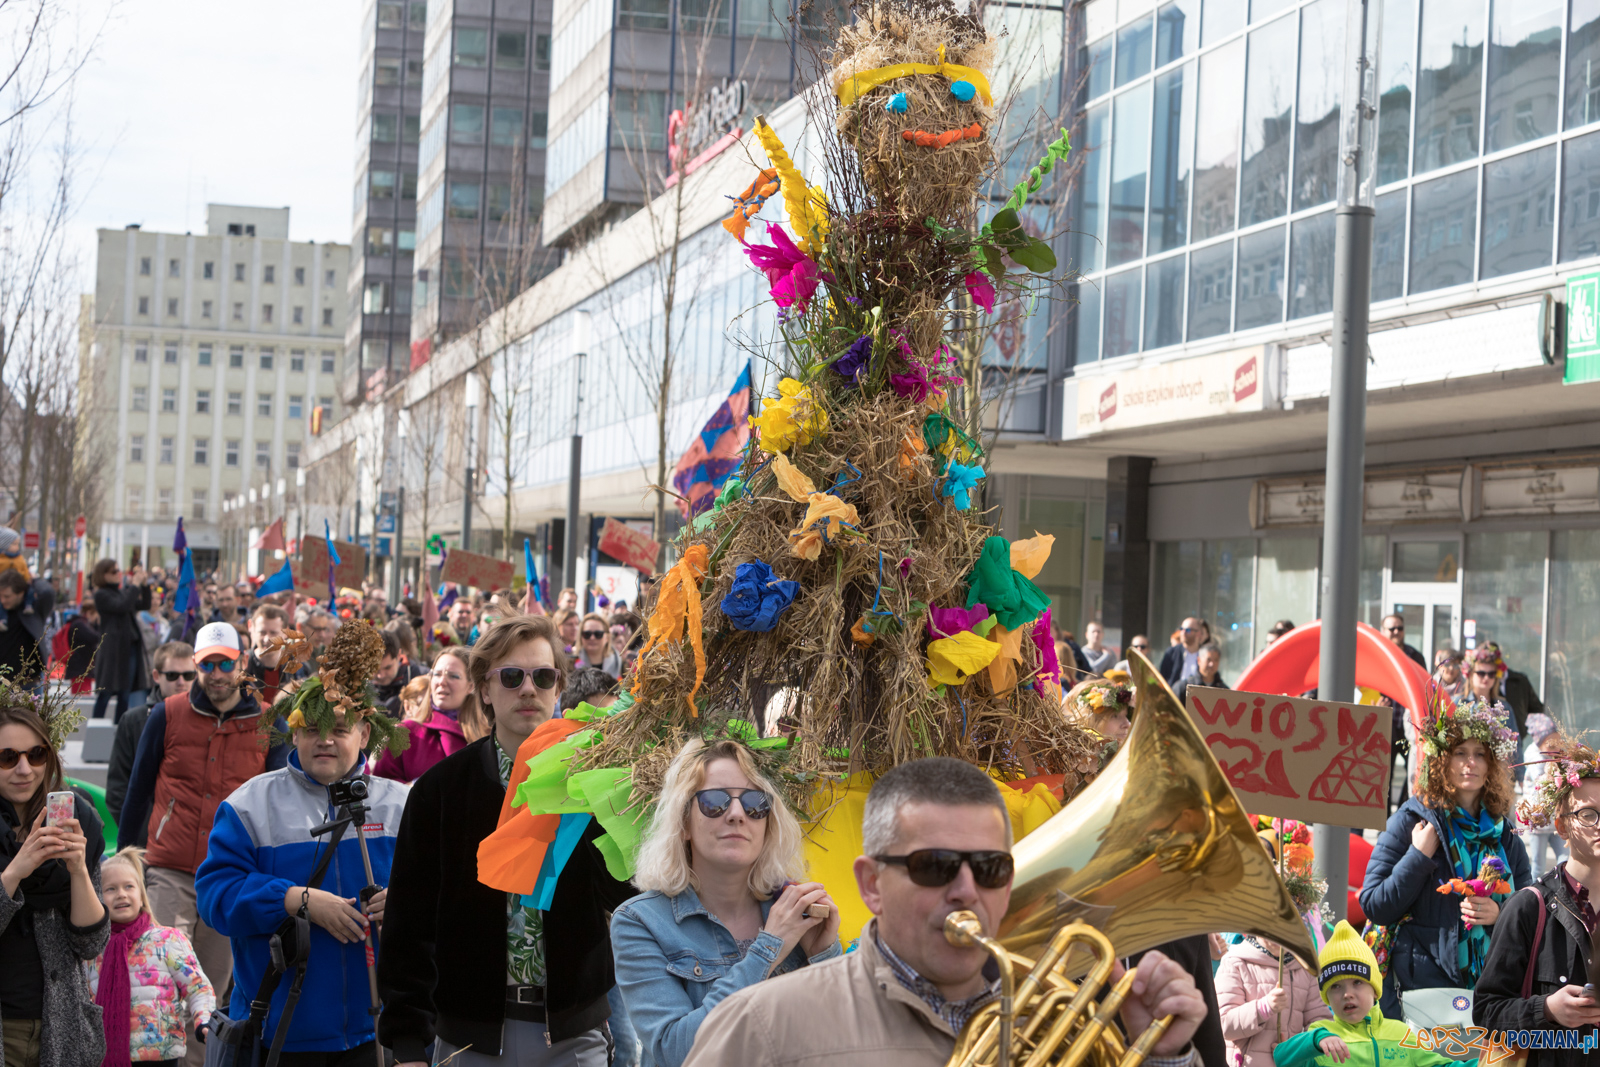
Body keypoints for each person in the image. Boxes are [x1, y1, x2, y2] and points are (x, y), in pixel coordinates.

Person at [679, 758, 1207, 1067]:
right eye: (934, 866)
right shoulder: (762, 1027)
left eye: (991, 868)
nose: (965, 890)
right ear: (872, 885)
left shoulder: (1071, 1027)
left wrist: (1160, 1055)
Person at [379, 614, 637, 1067]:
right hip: (468, 1036)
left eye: (542, 676)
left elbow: (626, 893)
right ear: (483, 689)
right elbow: (408, 924)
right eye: (512, 676)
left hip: (574, 1034)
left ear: (558, 687)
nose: (528, 689)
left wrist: (615, 801)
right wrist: (406, 1044)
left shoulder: (595, 783)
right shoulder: (440, 791)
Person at [196, 641, 410, 1067]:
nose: (325, 740)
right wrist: (294, 900)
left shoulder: (401, 806)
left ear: (365, 733)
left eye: (340, 728)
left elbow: (443, 897)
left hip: (380, 1034)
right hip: (281, 1037)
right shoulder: (249, 804)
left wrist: (409, 904)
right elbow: (215, 897)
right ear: (293, 732)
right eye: (311, 728)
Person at [611, 740, 841, 1067]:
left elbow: (844, 1039)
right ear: (684, 822)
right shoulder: (640, 922)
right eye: (714, 802)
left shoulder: (797, 915)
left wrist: (824, 956)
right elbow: (675, 1050)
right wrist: (768, 948)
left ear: (768, 822)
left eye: (754, 803)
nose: (736, 814)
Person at [119, 622, 289, 1057]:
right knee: (154, 979)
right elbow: (138, 791)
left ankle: (199, 1064)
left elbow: (278, 803)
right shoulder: (168, 712)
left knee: (209, 990)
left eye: (225, 663)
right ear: (196, 665)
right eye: (207, 665)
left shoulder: (268, 720)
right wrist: (126, 862)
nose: (216, 674)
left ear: (242, 662)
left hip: (229, 875)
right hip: (168, 867)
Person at [1358, 692, 1531, 1019]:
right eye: (1460, 753)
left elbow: (1529, 907)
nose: (1471, 762)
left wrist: (1500, 911)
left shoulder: (1504, 833)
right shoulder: (1411, 821)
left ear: (1491, 764)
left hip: (1490, 991)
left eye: (1480, 754)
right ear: (1441, 761)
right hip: (1423, 990)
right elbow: (1375, 904)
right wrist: (1418, 856)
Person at [1474, 736, 1600, 1064]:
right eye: (1589, 814)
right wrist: (1545, 1009)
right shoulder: (1529, 907)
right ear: (1562, 826)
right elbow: (1486, 1011)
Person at [0, 700, 110, 1067]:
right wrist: (18, 868)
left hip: (60, 1024)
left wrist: (77, 869)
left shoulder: (82, 821)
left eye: (36, 754)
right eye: (7, 757)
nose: (24, 769)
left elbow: (91, 943)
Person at [88, 846, 216, 1067]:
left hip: (161, 1055)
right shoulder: (92, 950)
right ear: (98, 896)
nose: (121, 894)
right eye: (110, 889)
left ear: (141, 893)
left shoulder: (167, 940)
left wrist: (204, 1020)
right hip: (105, 1056)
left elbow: (197, 987)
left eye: (129, 886)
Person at [1270, 921, 1460, 1067]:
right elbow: (1281, 1058)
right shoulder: (1321, 1034)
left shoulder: (1401, 1033)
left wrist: (1483, 1062)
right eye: (1336, 987)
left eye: (1357, 982)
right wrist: (1316, 1039)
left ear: (1375, 989)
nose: (1347, 994)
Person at [105, 643, 195, 838]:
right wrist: (140, 835)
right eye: (172, 675)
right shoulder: (133, 721)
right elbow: (117, 789)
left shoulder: (210, 722)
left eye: (189, 675)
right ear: (156, 676)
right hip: (146, 843)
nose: (181, 682)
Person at [372, 646, 484, 783]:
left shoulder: (486, 735)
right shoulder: (405, 732)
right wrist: (414, 789)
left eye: (453, 676)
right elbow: (381, 787)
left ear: (470, 686)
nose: (441, 682)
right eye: (436, 674)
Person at [1214, 935, 1329, 1067]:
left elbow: (1318, 1021)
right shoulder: (1235, 962)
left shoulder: (1305, 968)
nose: (1276, 934)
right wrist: (1264, 1008)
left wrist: (1300, 1048)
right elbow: (1224, 1025)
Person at [93, 560, 153, 723]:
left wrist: (145, 586)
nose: (118, 574)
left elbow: (144, 604)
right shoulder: (101, 594)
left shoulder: (121, 592)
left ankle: (119, 728)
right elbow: (122, 606)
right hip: (113, 650)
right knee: (105, 691)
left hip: (129, 647)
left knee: (125, 693)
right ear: (103, 575)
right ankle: (96, 726)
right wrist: (134, 585)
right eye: (113, 572)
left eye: (118, 571)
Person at [1466, 643, 1543, 739]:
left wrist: (1525, 730)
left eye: (1491, 674)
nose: (1486, 678)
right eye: (1481, 673)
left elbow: (1515, 742)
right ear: (1471, 674)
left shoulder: (1504, 705)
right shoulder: (1459, 703)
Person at [0, 569, 56, 688]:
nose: (2, 600)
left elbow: (48, 592)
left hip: (28, 682)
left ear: (21, 593)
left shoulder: (33, 610)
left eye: (7, 596)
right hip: (2, 682)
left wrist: (34, 580)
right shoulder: (1, 612)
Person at [243, 604, 305, 707]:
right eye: (262, 632)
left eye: (273, 633)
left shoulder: (298, 668)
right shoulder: (242, 665)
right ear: (251, 628)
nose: (267, 639)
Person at [373, 629, 426, 717]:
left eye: (387, 668)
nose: (380, 675)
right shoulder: (362, 680)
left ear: (399, 655)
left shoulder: (416, 678)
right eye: (375, 669)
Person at [61, 603, 101, 696]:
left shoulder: (79, 623)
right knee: (81, 696)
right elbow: (95, 637)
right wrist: (98, 625)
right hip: (80, 668)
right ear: (89, 613)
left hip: (81, 667)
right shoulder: (80, 624)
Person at [1173, 642, 1228, 707]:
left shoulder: (1225, 692)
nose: (1212, 664)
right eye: (1208, 660)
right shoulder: (1182, 688)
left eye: (1216, 660)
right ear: (1199, 660)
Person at [573, 614, 623, 678]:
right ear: (581, 637)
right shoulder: (571, 662)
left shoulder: (618, 661)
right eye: (587, 634)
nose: (592, 638)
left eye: (598, 634)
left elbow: (623, 687)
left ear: (607, 637)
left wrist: (623, 688)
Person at [1158, 617, 1205, 686]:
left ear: (1198, 633)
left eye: (1188, 630)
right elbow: (1162, 679)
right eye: (1181, 629)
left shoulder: (1205, 655)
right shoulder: (1171, 653)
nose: (1183, 633)